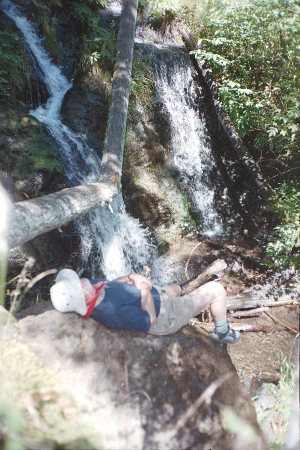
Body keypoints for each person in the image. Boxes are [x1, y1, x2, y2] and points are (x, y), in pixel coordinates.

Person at [50, 269, 240, 344]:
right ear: (82, 297)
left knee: (176, 288)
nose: (82, 281)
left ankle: (183, 297)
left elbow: (111, 283)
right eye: (79, 285)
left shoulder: (90, 289)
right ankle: (222, 332)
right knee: (216, 289)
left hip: (160, 295)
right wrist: (143, 288)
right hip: (166, 316)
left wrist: (131, 277)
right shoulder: (111, 311)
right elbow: (150, 320)